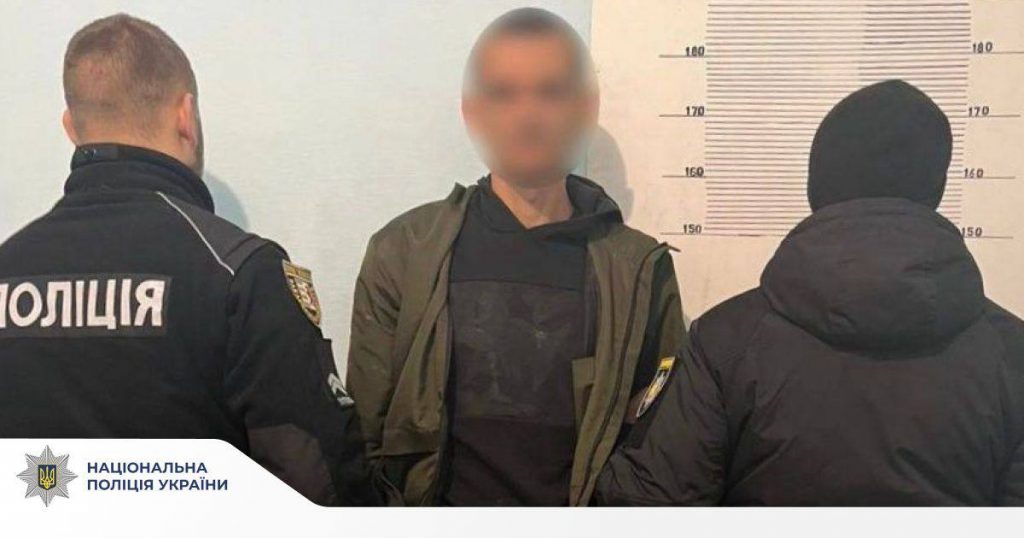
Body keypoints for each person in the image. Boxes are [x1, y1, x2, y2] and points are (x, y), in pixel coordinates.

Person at [0, 14, 373, 506]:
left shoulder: (8, 268)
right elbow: (318, 482)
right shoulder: (240, 272)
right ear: (186, 115)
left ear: (72, 128)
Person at [596, 80, 1024, 506]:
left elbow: (650, 506)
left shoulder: (726, 342)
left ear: (817, 184)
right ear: (935, 188)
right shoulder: (1011, 353)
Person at [346, 8, 683, 507]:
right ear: (472, 112)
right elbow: (365, 438)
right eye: (504, 94)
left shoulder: (638, 270)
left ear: (585, 108)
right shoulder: (404, 252)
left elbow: (659, 446)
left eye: (550, 92)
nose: (528, 116)